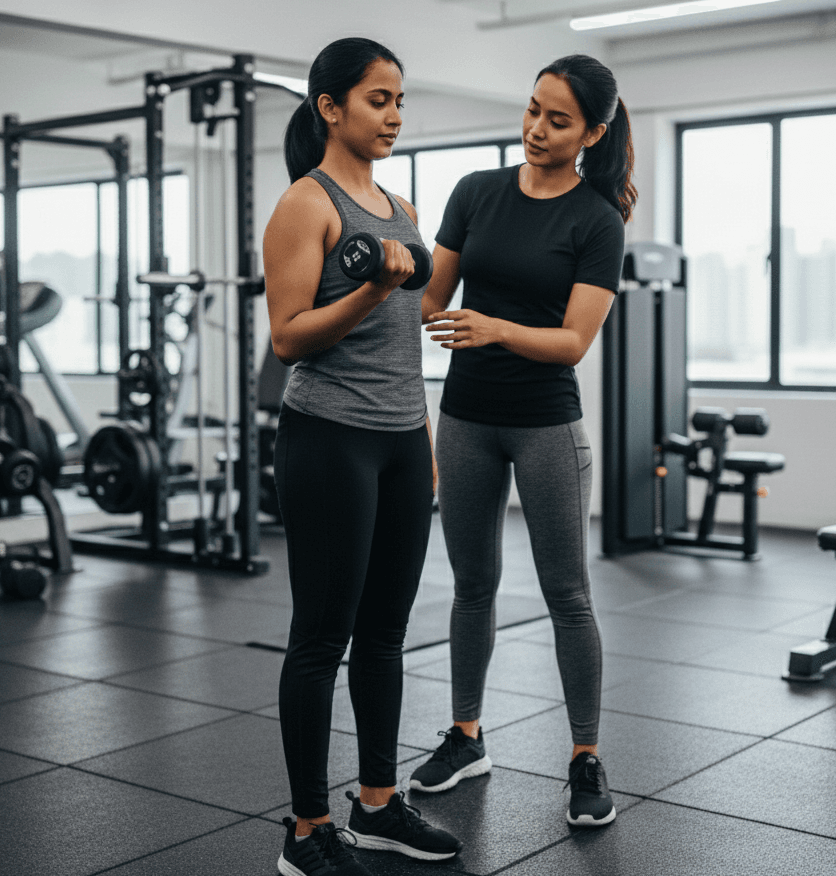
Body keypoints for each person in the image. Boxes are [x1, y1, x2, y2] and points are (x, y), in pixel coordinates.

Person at [408, 53, 636, 828]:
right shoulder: (476, 192)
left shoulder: (597, 221)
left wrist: (495, 326)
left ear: (593, 133)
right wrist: (380, 257)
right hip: (468, 417)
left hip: (545, 423)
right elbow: (431, 297)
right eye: (533, 110)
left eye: (559, 120)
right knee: (471, 584)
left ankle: (584, 758)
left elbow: (573, 342)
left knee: (566, 594)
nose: (538, 129)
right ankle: (467, 734)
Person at [263, 37, 461, 876]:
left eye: (399, 101)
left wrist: (423, 443)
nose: (394, 115)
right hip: (328, 441)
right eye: (378, 100)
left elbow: (399, 351)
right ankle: (307, 829)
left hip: (397, 443)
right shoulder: (303, 206)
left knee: (385, 635)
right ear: (330, 108)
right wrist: (377, 286)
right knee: (321, 637)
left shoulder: (402, 209)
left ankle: (378, 805)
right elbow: (288, 338)